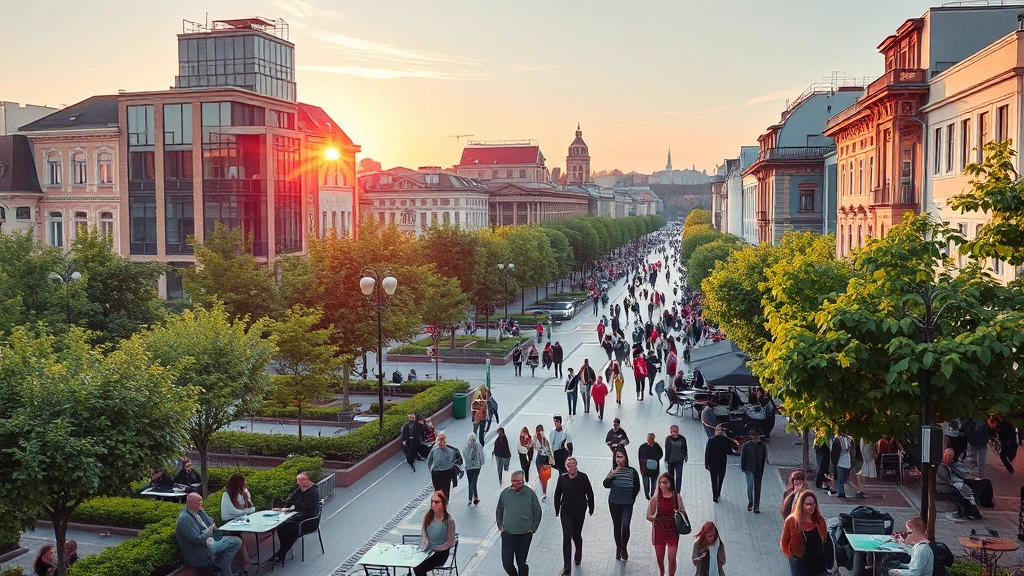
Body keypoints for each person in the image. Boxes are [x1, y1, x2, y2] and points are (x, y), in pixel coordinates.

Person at [176, 492, 243, 575]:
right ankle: (217, 568)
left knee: (234, 543)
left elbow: (210, 522)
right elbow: (197, 539)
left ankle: (218, 567)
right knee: (235, 542)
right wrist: (210, 530)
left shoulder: (196, 512)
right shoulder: (185, 519)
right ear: (191, 503)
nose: (201, 505)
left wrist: (205, 516)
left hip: (209, 542)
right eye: (199, 503)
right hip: (200, 551)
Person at [496, 470, 543, 576]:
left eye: (517, 481)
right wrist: (500, 525)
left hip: (524, 534)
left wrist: (533, 527)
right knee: (507, 563)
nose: (514, 483)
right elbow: (499, 510)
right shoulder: (506, 493)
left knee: (521, 563)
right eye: (512, 481)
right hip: (508, 533)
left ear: (522, 481)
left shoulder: (530, 494)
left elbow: (537, 511)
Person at [554, 457, 595, 575]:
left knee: (576, 535)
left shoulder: (583, 477)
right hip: (566, 511)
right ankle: (567, 567)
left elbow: (589, 493)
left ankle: (578, 551)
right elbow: (557, 494)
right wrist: (557, 509)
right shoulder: (562, 479)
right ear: (566, 467)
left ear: (576, 465)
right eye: (568, 465)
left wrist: (591, 506)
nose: (571, 466)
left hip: (579, 510)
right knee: (567, 536)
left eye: (572, 464)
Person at [269, 472, 320, 566]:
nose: (300, 483)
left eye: (302, 480)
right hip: (298, 516)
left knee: (294, 529)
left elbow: (307, 508)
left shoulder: (313, 491)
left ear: (308, 481)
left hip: (309, 519)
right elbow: (292, 499)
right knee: (282, 527)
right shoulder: (301, 488)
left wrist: (294, 506)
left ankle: (281, 554)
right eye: (298, 481)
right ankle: (282, 551)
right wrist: (285, 507)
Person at [603, 446, 641, 561]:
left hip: (627, 503)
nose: (619, 460)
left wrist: (632, 499)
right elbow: (605, 484)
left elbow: (637, 487)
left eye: (621, 456)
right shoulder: (613, 471)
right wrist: (611, 476)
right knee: (617, 526)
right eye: (616, 457)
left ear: (626, 457)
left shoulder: (632, 471)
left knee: (625, 526)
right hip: (614, 502)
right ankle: (618, 547)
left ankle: (624, 545)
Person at [780, 490, 828, 576]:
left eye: (813, 504)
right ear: (801, 505)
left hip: (817, 561)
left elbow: (824, 538)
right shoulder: (791, 521)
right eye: (808, 504)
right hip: (799, 561)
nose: (811, 507)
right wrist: (790, 557)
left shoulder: (819, 520)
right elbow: (784, 542)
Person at [647, 472, 686, 576]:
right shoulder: (655, 499)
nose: (662, 485)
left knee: (672, 558)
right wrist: (654, 518)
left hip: (673, 531)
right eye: (660, 482)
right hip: (659, 531)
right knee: (660, 557)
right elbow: (648, 516)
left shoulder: (676, 497)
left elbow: (683, 512)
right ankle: (662, 572)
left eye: (665, 482)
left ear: (670, 483)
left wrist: (678, 513)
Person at [413, 490, 457, 576]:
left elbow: (450, 542)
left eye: (437, 502)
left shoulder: (449, 521)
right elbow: (424, 531)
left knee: (419, 568)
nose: (433, 504)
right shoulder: (428, 516)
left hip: (440, 554)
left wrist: (437, 548)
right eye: (432, 502)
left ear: (443, 504)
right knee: (413, 565)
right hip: (427, 550)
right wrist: (425, 541)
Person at [220, 473, 257, 569]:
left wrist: (247, 498)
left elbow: (249, 505)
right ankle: (245, 560)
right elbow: (233, 511)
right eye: (242, 482)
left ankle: (245, 559)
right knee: (237, 536)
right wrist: (249, 510)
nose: (244, 484)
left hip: (240, 518)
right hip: (229, 521)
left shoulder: (242, 493)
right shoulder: (226, 495)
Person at [739, 428, 769, 513]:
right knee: (750, 487)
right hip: (749, 469)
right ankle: (750, 503)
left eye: (757, 437)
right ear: (751, 437)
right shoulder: (746, 446)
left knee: (757, 488)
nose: (756, 439)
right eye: (755, 437)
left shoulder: (762, 446)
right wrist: (743, 468)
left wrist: (762, 469)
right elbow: (743, 458)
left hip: (758, 469)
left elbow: (764, 458)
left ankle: (756, 506)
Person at [427, 433, 459, 502]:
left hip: (436, 472)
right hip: (447, 471)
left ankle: (438, 502)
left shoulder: (433, 450)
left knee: (437, 489)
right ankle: (445, 503)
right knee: (446, 489)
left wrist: (431, 468)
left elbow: (429, 460)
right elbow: (452, 461)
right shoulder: (450, 451)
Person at [704, 425, 732, 503]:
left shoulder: (725, 440)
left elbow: (729, 448)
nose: (719, 431)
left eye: (721, 430)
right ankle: (715, 495)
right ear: (715, 431)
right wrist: (706, 463)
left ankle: (718, 492)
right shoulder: (711, 440)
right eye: (718, 429)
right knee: (714, 480)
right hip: (713, 463)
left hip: (722, 462)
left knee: (721, 479)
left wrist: (728, 432)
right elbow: (707, 452)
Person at [638, 433, 664, 500]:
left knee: (653, 484)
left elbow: (660, 455)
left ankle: (652, 495)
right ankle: (647, 494)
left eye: (651, 439)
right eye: (648, 439)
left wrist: (654, 460)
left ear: (653, 439)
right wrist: (641, 466)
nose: (649, 441)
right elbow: (639, 457)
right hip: (645, 469)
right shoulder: (642, 447)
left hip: (654, 470)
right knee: (646, 484)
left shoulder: (657, 447)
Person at [664, 425, 689, 495]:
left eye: (675, 431)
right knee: (670, 477)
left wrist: (685, 456)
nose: (674, 433)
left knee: (679, 476)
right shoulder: (668, 439)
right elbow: (666, 449)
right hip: (670, 461)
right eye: (672, 431)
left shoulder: (682, 439)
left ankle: (678, 491)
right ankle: (671, 490)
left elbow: (685, 448)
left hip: (679, 460)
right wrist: (666, 460)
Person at [463, 433, 485, 506]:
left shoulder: (466, 447)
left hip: (469, 468)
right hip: (477, 467)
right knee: (474, 482)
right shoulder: (478, 445)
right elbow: (481, 455)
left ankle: (471, 499)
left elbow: (465, 457)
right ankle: (474, 498)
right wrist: (481, 463)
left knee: (471, 482)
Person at [533, 424, 553, 500]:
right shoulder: (535, 438)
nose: (540, 431)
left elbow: (548, 448)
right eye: (539, 430)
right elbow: (536, 448)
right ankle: (543, 488)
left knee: (545, 477)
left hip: (545, 459)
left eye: (542, 430)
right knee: (541, 476)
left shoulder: (545, 438)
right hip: (539, 458)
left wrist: (543, 439)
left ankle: (544, 491)